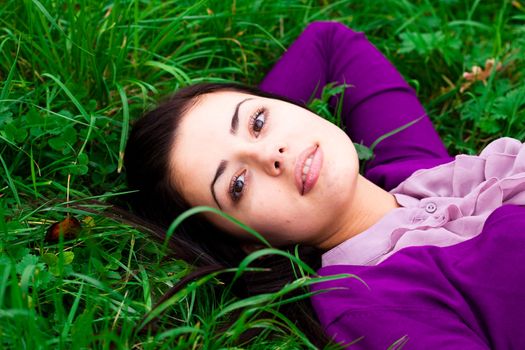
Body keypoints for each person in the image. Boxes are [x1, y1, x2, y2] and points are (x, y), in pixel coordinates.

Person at [124, 22, 525, 348]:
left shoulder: (414, 173)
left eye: (258, 121)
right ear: (248, 244)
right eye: (238, 185)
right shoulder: (368, 303)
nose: (272, 154)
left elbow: (328, 42)